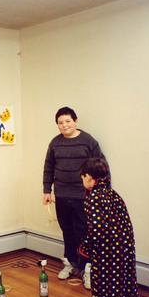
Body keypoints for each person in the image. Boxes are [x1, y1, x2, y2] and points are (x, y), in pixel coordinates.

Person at [43, 106, 106, 287]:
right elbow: (48, 168)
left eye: (68, 121)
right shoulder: (55, 143)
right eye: (60, 123)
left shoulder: (88, 141)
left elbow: (101, 168)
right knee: (67, 231)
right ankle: (70, 263)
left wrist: (100, 194)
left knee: (84, 233)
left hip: (83, 197)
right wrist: (47, 191)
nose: (64, 125)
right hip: (61, 196)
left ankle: (87, 269)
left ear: (75, 121)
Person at [79, 158, 140, 297]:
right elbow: (126, 226)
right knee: (124, 288)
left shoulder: (93, 198)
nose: (82, 180)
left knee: (106, 291)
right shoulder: (114, 195)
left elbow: (97, 230)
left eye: (82, 177)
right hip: (125, 251)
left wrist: (84, 248)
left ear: (89, 177)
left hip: (107, 255)